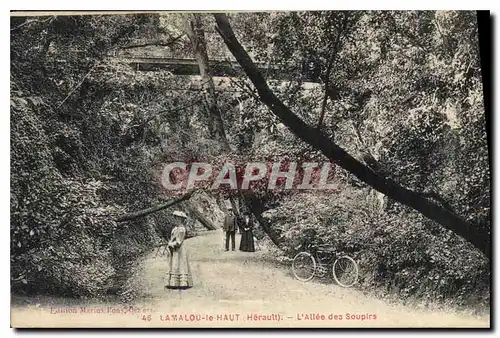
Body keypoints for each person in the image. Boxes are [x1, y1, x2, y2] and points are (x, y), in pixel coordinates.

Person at [165, 210, 193, 289]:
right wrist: (170, 243)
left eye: (178, 218)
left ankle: (183, 282)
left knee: (181, 263)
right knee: (174, 264)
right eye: (175, 218)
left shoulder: (181, 229)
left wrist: (171, 244)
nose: (176, 220)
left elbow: (179, 241)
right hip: (174, 249)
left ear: (181, 219)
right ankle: (174, 283)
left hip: (180, 249)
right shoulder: (175, 229)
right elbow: (172, 238)